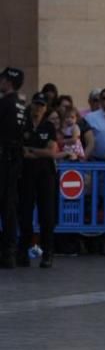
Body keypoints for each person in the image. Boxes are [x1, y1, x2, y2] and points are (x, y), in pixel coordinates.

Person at [17, 92, 58, 269]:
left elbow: (51, 151)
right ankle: (23, 252)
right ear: (31, 105)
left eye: (42, 105)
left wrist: (32, 152)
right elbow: (19, 148)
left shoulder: (48, 126)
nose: (38, 108)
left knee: (46, 215)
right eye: (36, 104)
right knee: (25, 213)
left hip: (45, 175)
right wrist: (35, 152)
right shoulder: (23, 124)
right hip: (26, 175)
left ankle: (48, 252)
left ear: (46, 108)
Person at [0, 67, 27, 268]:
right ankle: (9, 250)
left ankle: (7, 251)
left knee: (6, 205)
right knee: (9, 206)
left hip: (5, 158)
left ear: (8, 81)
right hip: (15, 158)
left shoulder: (5, 103)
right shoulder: (21, 104)